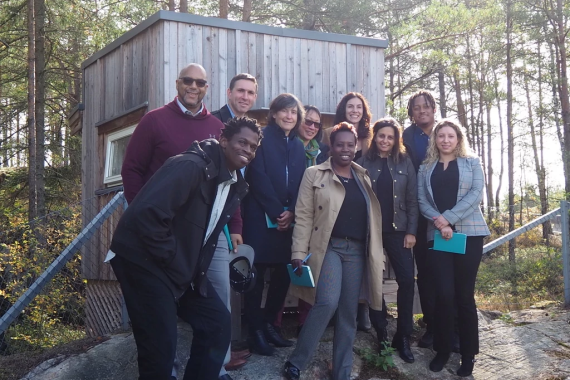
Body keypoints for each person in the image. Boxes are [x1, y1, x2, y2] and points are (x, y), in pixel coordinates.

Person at [119, 63, 247, 378]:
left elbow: (228, 183)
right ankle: (167, 370)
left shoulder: (216, 127)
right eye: (188, 81)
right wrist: (142, 214)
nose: (193, 87)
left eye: (200, 82)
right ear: (178, 83)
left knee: (217, 317)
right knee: (159, 334)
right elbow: (131, 170)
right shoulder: (154, 121)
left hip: (200, 238)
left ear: (208, 88)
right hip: (156, 237)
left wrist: (235, 226)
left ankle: (215, 369)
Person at [283, 122, 384, 380]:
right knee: (327, 301)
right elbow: (303, 216)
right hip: (329, 247)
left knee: (349, 312)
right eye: (340, 144)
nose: (345, 149)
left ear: (357, 146)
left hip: (358, 251)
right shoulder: (315, 174)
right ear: (331, 146)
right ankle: (296, 361)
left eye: (350, 145)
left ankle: (342, 372)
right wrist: (297, 252)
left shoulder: (363, 176)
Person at [417, 119, 490, 376]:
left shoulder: (472, 163)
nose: (445, 140)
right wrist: (439, 222)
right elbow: (421, 199)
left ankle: (468, 355)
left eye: (451, 136)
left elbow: (476, 194)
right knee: (444, 295)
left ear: (458, 139)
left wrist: (448, 218)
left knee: (464, 297)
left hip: (469, 235)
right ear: (435, 140)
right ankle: (443, 349)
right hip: (437, 236)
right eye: (441, 136)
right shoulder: (426, 167)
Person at [242, 93, 306, 356]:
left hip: (286, 222)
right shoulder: (263, 137)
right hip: (260, 216)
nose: (289, 116)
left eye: (294, 112)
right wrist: (276, 210)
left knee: (282, 274)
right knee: (256, 278)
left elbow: (302, 182)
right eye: (285, 111)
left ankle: (270, 326)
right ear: (275, 114)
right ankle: (254, 330)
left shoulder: (299, 145)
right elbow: (257, 176)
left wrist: (291, 212)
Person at [357, 117, 418, 364]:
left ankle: (402, 335)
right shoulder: (363, 163)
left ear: (396, 140)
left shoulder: (405, 162)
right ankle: (381, 330)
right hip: (370, 231)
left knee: (406, 280)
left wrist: (411, 231)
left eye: (390, 137)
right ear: (375, 137)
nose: (385, 140)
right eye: (381, 135)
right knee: (374, 282)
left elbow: (413, 200)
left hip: (398, 230)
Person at [210, 72, 258, 376]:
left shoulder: (251, 132)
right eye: (240, 91)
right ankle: (215, 356)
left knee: (223, 287)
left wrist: (237, 225)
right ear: (229, 93)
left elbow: (238, 183)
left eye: (250, 93)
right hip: (203, 219)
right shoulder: (215, 124)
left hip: (228, 219)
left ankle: (222, 357)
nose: (245, 96)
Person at [273, 105, 329, 334]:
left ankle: (305, 322)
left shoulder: (322, 152)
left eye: (317, 123)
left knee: (310, 267)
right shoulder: (288, 145)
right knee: (282, 268)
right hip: (285, 215)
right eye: (308, 121)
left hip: (313, 217)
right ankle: (274, 321)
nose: (312, 127)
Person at [401, 89, 438, 348]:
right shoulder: (407, 136)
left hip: (447, 214)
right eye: (417, 107)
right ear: (411, 112)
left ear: (434, 108)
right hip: (419, 212)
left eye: (426, 106)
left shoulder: (446, 130)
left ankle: (454, 326)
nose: (422, 110)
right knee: (425, 272)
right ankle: (432, 325)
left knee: (450, 271)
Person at [323, 92, 372, 162]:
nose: (355, 111)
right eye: (350, 106)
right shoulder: (328, 133)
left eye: (359, 107)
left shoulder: (370, 134)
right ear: (343, 109)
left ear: (363, 111)